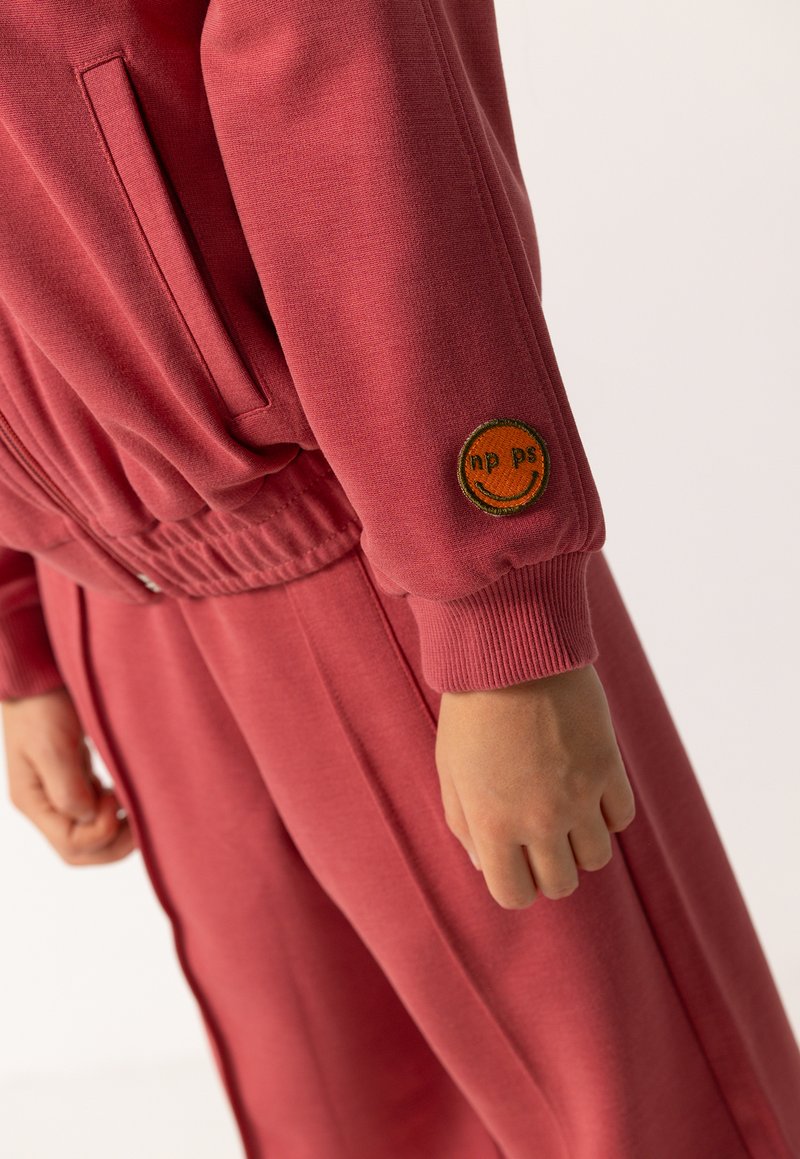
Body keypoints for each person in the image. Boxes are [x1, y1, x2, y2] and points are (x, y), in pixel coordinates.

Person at [1, 3, 798, 1156]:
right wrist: (20, 618)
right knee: (336, 1121)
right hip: (111, 590)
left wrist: (492, 612)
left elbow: (345, 76)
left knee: (630, 1119)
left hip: (368, 554)